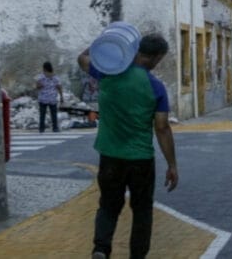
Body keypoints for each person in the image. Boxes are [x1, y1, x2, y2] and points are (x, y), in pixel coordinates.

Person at [78, 33, 179, 259]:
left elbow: (82, 58)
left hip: (110, 156)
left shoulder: (108, 73)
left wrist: (105, 40)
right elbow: (162, 127)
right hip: (141, 159)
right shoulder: (156, 86)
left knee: (108, 206)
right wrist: (172, 165)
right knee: (142, 211)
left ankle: (101, 248)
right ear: (155, 58)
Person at [36, 61, 63, 133]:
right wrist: (61, 97)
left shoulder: (41, 77)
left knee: (42, 115)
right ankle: (55, 128)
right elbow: (59, 87)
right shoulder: (55, 77)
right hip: (52, 98)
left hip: (43, 98)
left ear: (44, 68)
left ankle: (41, 129)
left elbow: (38, 86)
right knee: (53, 114)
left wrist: (41, 86)